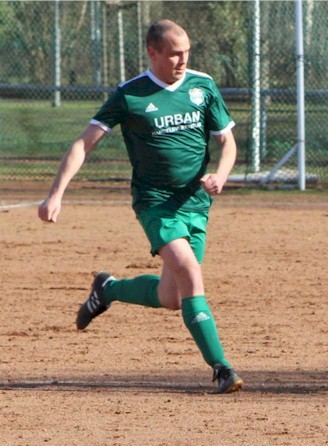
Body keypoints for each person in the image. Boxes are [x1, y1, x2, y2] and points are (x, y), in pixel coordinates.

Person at [38, 19, 243, 394]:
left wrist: (221, 174)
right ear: (153, 52)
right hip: (155, 203)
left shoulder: (203, 86)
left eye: (186, 52)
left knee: (172, 297)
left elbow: (227, 143)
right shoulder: (130, 95)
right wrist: (56, 193)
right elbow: (84, 143)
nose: (182, 60)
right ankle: (222, 367)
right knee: (188, 270)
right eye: (174, 53)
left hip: (194, 204)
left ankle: (108, 289)